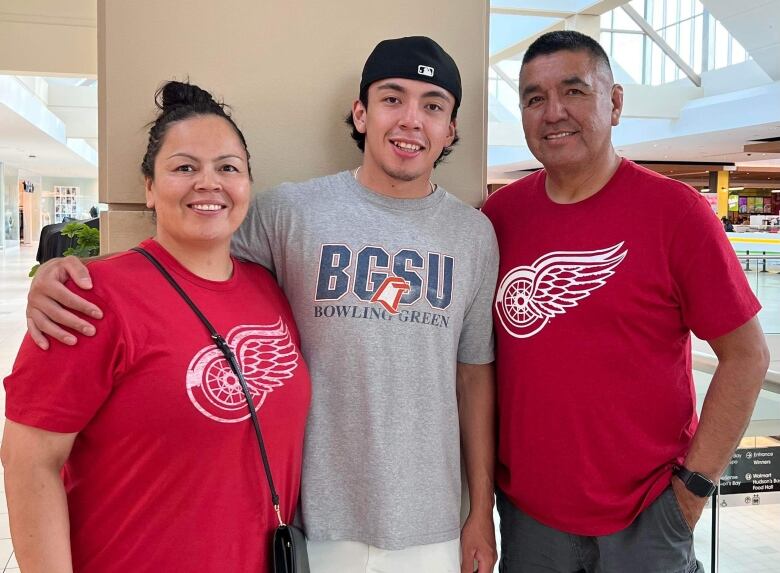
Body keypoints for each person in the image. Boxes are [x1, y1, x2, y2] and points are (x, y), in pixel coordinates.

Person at [25, 37, 498, 573]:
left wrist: (479, 511)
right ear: (361, 113)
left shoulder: (473, 235)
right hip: (310, 523)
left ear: (451, 128)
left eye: (433, 105)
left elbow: (473, 377)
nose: (412, 119)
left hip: (430, 526)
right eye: (393, 98)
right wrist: (78, 274)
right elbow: (192, 244)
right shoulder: (292, 211)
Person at [481, 30, 769, 572]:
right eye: (534, 98)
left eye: (574, 91)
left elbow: (747, 355)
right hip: (529, 519)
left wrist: (692, 491)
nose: (553, 112)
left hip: (647, 519)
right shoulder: (498, 220)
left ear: (614, 103)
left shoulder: (676, 214)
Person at [3, 81, 311, 572]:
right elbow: (28, 461)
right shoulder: (87, 298)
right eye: (184, 167)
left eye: (227, 168)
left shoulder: (270, 289)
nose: (208, 183)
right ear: (149, 187)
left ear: (248, 185)